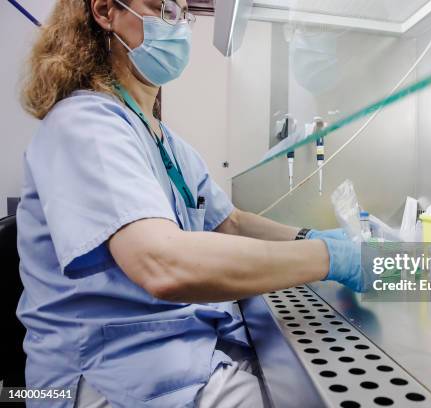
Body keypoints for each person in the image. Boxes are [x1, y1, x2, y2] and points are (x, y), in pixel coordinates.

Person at [17, 1, 365, 407]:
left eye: (183, 13)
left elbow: (229, 222)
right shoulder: (84, 124)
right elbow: (161, 264)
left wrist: (311, 235)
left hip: (167, 347)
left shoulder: (161, 138)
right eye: (163, 9)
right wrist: (332, 258)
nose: (179, 26)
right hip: (102, 372)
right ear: (106, 11)